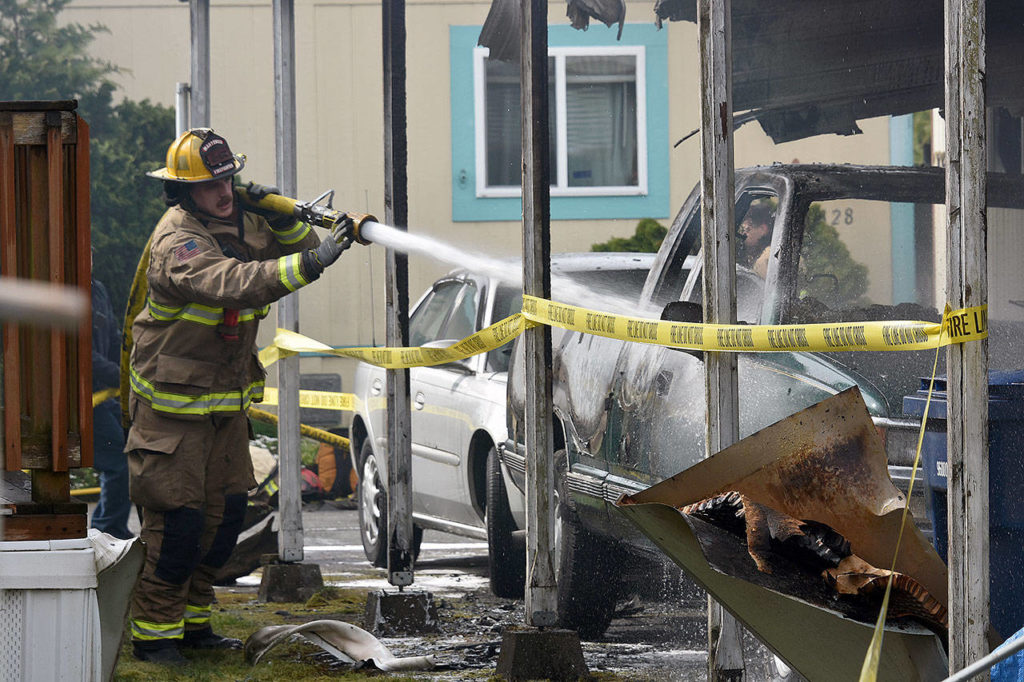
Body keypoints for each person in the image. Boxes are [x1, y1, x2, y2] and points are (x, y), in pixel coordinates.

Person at [126, 128, 354, 664]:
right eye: (209, 185)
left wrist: (287, 221)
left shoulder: (246, 221)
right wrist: (314, 259)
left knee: (225, 519)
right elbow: (235, 282)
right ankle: (155, 638)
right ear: (183, 192)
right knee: (177, 527)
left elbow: (297, 251)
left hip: (225, 407)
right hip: (170, 412)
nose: (224, 192)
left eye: (227, 179)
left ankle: (195, 624)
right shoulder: (176, 242)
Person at [90, 273, 133, 540]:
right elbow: (81, 353)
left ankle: (104, 528)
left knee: (131, 449)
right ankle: (109, 530)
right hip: (83, 400)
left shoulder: (98, 289)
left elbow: (115, 337)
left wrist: (131, 366)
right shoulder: (67, 293)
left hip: (104, 395)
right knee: (119, 460)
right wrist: (122, 377)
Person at [736, 202, 773, 278]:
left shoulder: (765, 260)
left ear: (763, 229)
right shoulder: (773, 251)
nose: (744, 234)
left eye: (747, 229)